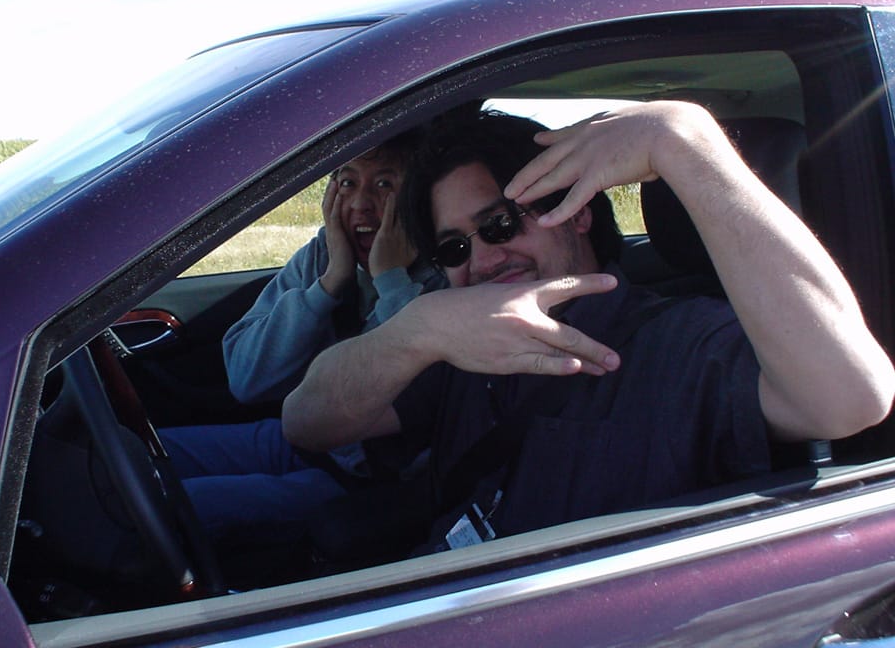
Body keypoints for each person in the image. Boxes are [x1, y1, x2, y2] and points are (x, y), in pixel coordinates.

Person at [282, 101, 895, 550]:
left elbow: (851, 397)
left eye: (499, 225)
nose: (484, 260)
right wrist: (414, 330)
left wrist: (681, 143)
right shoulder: (460, 340)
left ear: (573, 212)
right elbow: (308, 422)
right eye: (452, 249)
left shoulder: (681, 344)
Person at [159, 132, 445, 545]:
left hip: (372, 481)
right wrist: (327, 287)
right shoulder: (324, 256)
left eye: (384, 184)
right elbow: (246, 378)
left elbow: (393, 387)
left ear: (417, 195)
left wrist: (390, 281)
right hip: (301, 444)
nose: (360, 204)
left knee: (177, 506)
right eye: (346, 183)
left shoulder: (446, 274)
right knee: (143, 458)